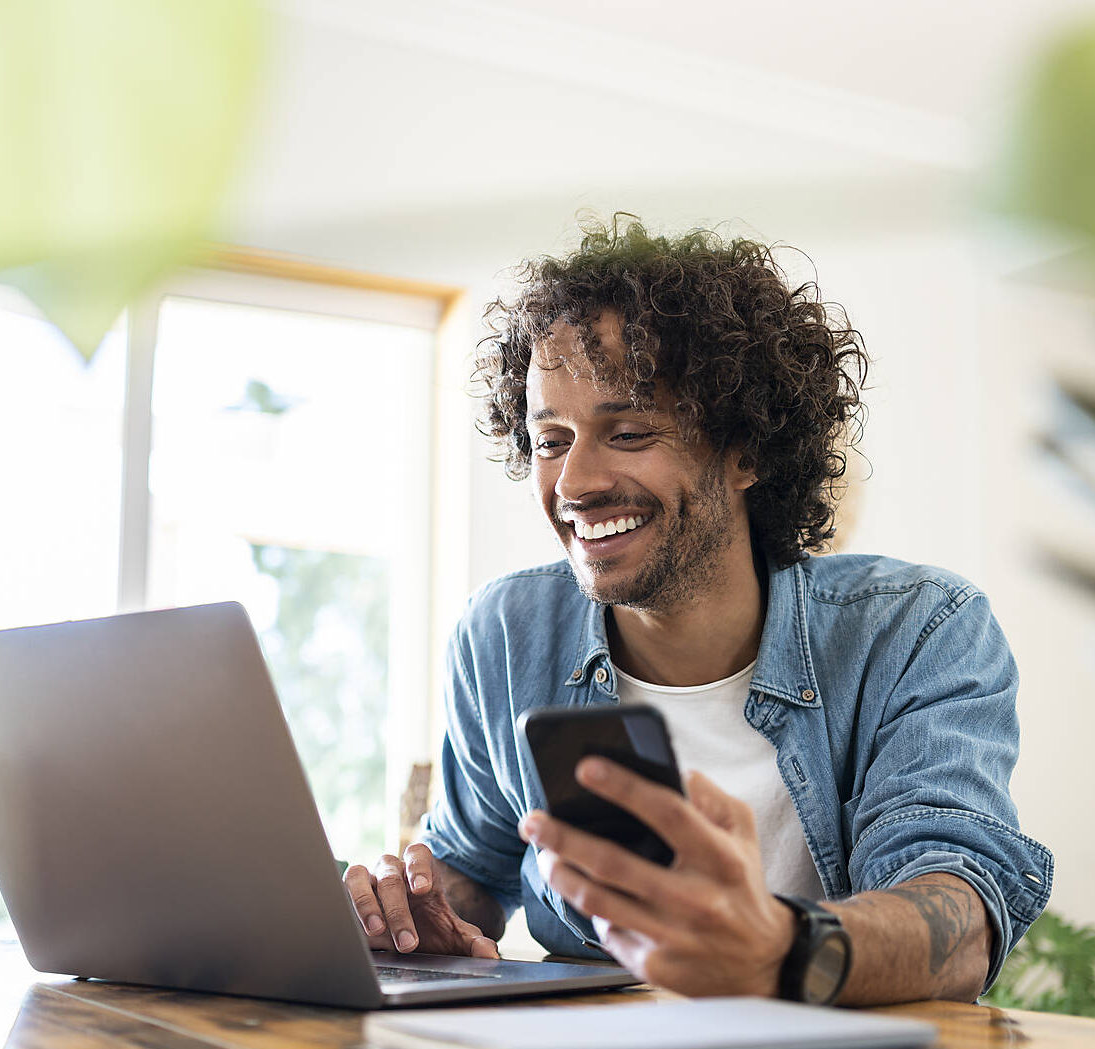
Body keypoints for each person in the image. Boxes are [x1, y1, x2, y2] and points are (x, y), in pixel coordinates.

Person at [344, 217, 1054, 1005]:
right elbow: (473, 865)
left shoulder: (917, 630)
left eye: (631, 431)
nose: (573, 482)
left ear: (747, 450)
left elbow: (958, 914)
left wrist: (779, 950)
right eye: (549, 438)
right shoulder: (506, 633)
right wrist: (409, 909)